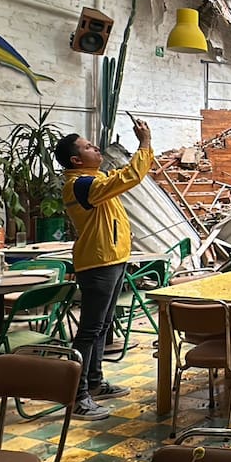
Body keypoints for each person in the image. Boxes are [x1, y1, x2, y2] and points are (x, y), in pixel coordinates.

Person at [55, 121, 153, 420]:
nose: (96, 148)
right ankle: (77, 395)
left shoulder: (94, 180)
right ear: (76, 160)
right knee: (90, 330)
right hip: (98, 262)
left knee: (102, 325)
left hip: (112, 259)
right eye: (88, 147)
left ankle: (95, 382)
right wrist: (144, 143)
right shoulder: (82, 185)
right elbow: (131, 176)